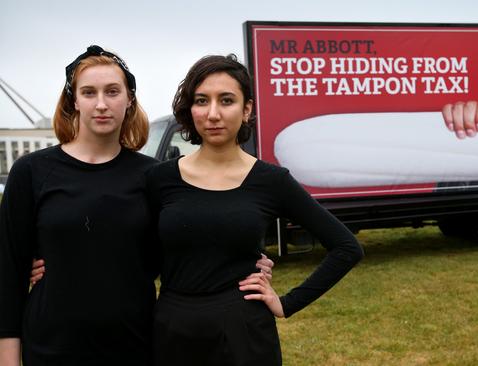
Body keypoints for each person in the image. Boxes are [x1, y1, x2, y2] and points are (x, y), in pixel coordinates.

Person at [0, 46, 273, 366]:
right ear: (74, 100)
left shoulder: (152, 176)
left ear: (129, 99)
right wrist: (8, 357)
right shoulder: (32, 172)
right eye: (89, 92)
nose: (101, 103)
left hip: (135, 344)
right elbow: (8, 272)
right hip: (51, 346)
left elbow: (178, 248)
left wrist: (245, 261)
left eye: (112, 91)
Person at [145, 54, 364, 365]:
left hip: (243, 331)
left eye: (227, 100)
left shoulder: (271, 181)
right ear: (189, 109)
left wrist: (287, 303)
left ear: (246, 109)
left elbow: (346, 247)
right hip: (172, 329)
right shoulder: (159, 178)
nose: (213, 113)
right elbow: (139, 257)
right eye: (201, 100)